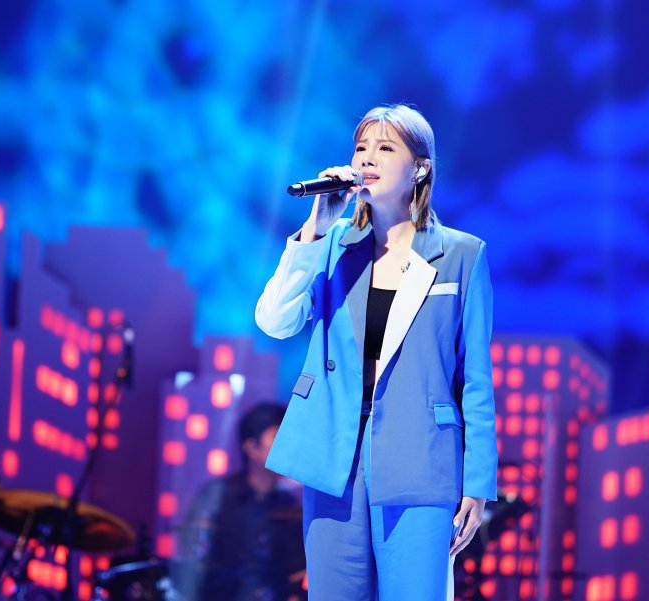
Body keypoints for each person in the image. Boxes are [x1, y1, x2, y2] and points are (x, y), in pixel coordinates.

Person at [255, 104, 497, 600]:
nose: (367, 158)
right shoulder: (332, 245)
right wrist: (316, 228)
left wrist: (478, 483)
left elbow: (475, 379)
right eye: (361, 148)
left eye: (385, 148)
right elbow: (275, 321)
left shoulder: (461, 254)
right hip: (333, 452)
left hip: (422, 456)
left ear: (420, 168)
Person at [177, 402, 306, 601]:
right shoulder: (217, 496)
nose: (289, 446)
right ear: (251, 447)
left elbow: (296, 570)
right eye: (278, 437)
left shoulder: (289, 505)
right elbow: (193, 562)